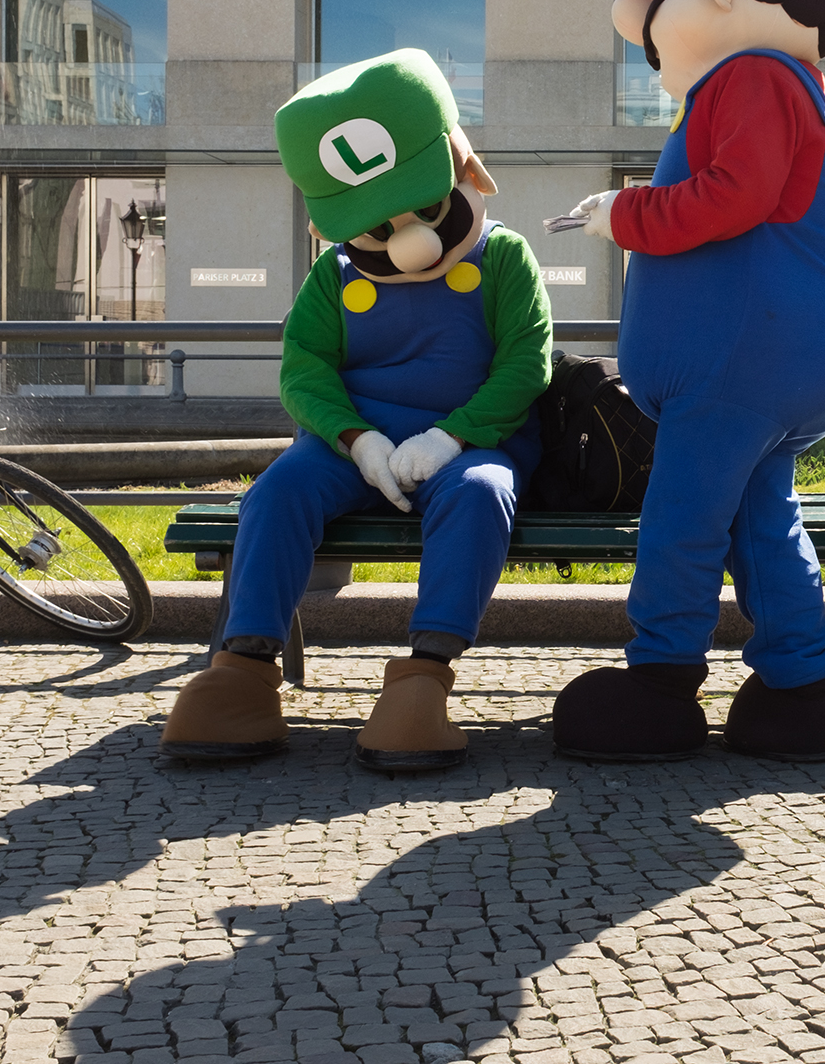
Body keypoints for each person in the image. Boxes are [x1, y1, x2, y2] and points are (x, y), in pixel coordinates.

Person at [548, 0, 825, 763]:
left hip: (743, 363)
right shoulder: (796, 84)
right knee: (759, 514)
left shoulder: (752, 77)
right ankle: (799, 687)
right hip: (778, 358)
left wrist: (623, 214)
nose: (637, 14)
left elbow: (733, 197)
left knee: (684, 513)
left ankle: (660, 681)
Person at [159, 50, 552, 772]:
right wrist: (356, 438)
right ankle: (243, 667)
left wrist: (451, 437)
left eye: (424, 209)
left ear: (462, 165)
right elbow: (304, 368)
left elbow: (525, 363)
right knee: (277, 493)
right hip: (350, 448)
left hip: (465, 444)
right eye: (376, 225)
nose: (410, 242)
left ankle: (424, 675)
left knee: (480, 494)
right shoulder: (332, 276)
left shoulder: (503, 258)